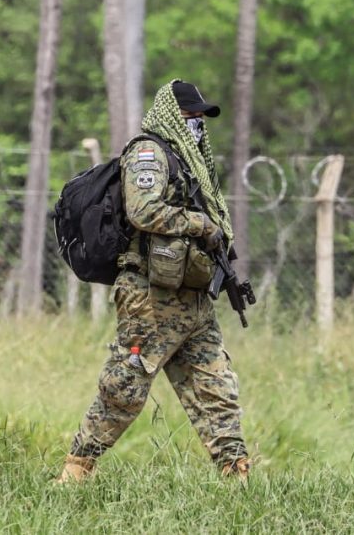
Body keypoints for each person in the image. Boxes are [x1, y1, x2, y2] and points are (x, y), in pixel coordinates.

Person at [58, 80, 250, 483]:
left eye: (201, 116)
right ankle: (77, 469)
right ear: (172, 115)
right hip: (150, 295)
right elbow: (143, 212)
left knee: (216, 386)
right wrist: (200, 223)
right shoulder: (150, 153)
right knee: (125, 385)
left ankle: (237, 475)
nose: (198, 122)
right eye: (191, 115)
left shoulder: (189, 160)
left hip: (192, 298)